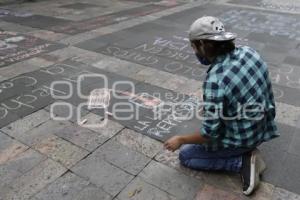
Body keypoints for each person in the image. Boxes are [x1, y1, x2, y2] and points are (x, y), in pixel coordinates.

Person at [164, 16, 279, 195]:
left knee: (186, 155)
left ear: (202, 44)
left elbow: (209, 134)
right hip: (262, 127)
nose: (194, 51)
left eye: (193, 46)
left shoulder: (216, 79)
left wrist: (181, 139)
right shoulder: (249, 51)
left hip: (243, 139)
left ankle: (242, 162)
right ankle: (246, 151)